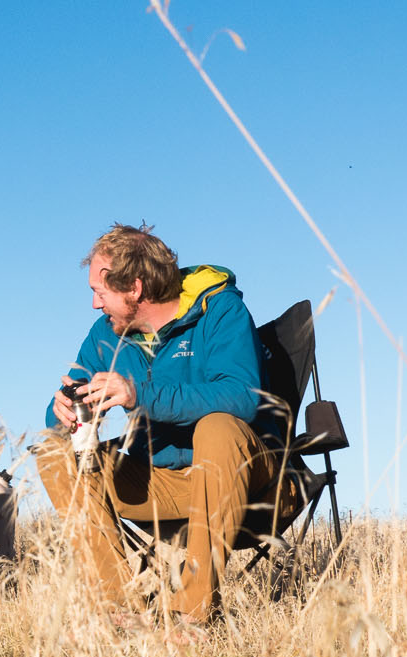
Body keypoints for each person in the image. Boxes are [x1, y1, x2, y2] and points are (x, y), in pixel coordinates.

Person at [36, 224, 277, 635]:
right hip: (161, 481)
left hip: (245, 477)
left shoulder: (219, 311)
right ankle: (120, 611)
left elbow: (242, 397)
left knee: (218, 427)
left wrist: (138, 393)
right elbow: (68, 397)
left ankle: (191, 615)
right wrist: (60, 409)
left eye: (101, 291)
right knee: (52, 452)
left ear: (134, 287)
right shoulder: (107, 334)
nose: (95, 304)